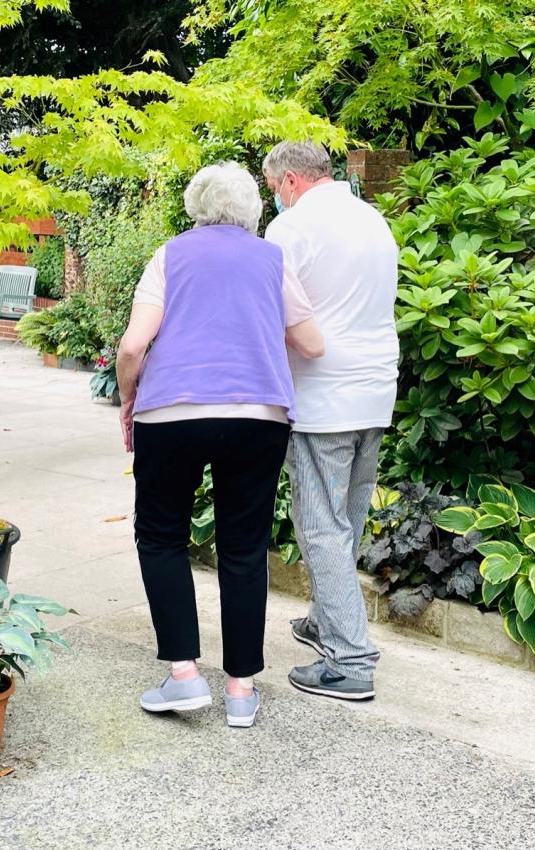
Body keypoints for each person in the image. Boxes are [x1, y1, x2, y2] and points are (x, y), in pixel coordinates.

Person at [116, 162, 323, 728]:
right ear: (254, 208)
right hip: (258, 416)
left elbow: (134, 346)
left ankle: (183, 676)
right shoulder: (270, 259)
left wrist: (128, 399)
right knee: (244, 546)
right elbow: (311, 342)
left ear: (195, 206)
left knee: (160, 537)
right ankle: (239, 690)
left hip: (172, 412)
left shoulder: (170, 254)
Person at [262, 141, 399, 700]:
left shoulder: (290, 231)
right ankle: (326, 621)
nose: (275, 199)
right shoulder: (373, 220)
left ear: (290, 180)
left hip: (323, 396)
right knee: (349, 516)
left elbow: (276, 316)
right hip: (375, 388)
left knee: (321, 525)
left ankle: (351, 661)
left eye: (273, 189)